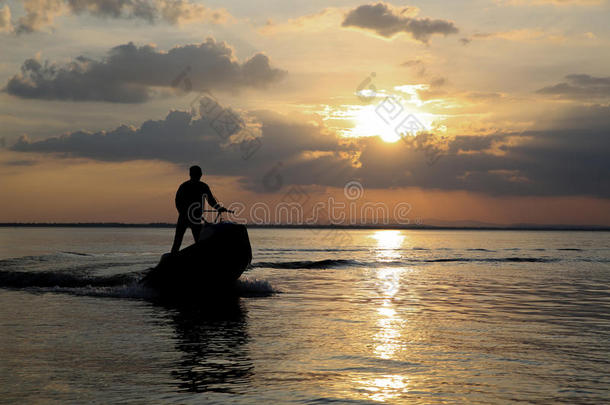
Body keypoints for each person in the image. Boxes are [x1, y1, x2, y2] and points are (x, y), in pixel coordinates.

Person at [171, 165, 227, 253]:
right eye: (197, 174)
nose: (198, 176)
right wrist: (183, 213)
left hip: (191, 218)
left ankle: (173, 259)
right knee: (183, 241)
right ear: (199, 174)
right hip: (187, 218)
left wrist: (218, 208)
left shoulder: (194, 186)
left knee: (185, 242)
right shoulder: (192, 186)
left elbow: (211, 200)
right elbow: (178, 201)